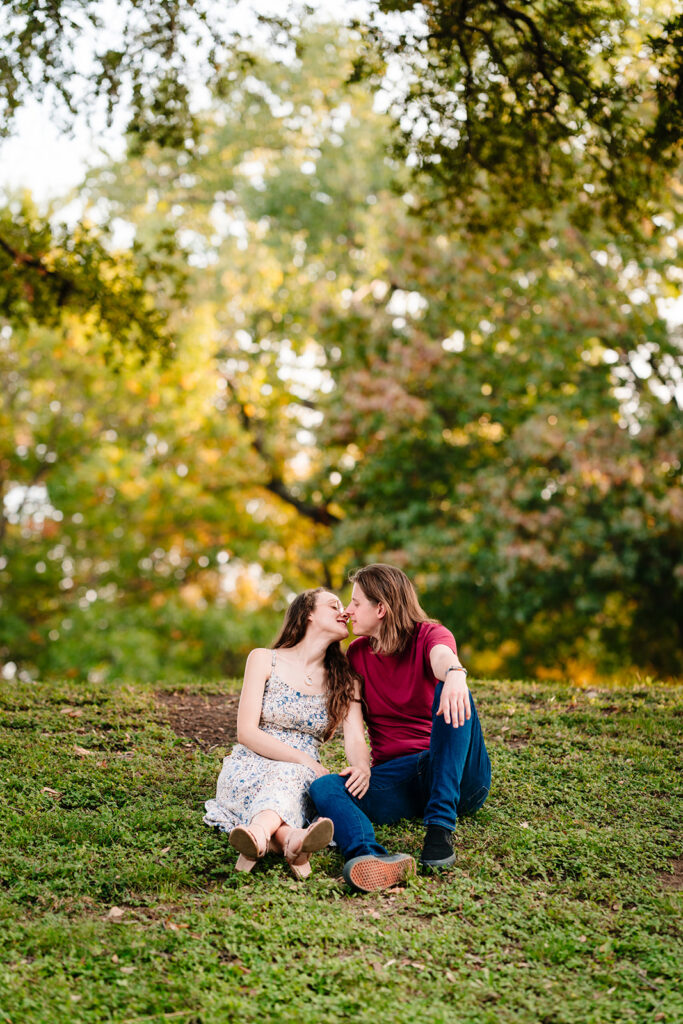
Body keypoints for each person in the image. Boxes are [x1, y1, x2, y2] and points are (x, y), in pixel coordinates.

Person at [310, 564, 491, 893]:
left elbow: (443, 658)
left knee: (450, 688)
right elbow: (353, 726)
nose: (348, 611)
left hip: (459, 774)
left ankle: (439, 829)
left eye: (356, 602)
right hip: (403, 778)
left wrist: (455, 673)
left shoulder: (430, 636)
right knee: (325, 788)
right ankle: (369, 856)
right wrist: (362, 767)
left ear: (381, 608)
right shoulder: (358, 655)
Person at [203, 588, 370, 879]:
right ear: (308, 614)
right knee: (290, 773)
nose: (344, 612)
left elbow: (355, 736)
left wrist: (362, 767)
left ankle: (260, 836)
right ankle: (292, 840)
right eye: (333, 606)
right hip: (250, 764)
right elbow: (246, 732)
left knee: (291, 776)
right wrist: (307, 762)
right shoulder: (264, 659)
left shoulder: (346, 680)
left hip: (300, 778)